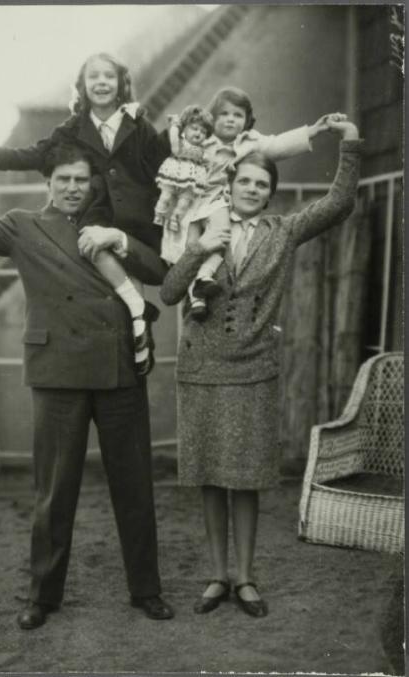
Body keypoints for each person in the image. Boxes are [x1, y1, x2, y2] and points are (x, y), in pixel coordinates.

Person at [0, 141, 174, 629]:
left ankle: (146, 589)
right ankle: (42, 596)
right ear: (48, 182)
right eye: (62, 179)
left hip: (118, 367)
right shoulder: (22, 224)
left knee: (134, 487)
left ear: (93, 184)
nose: (71, 188)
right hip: (58, 372)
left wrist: (122, 241)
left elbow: (161, 272)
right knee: (54, 491)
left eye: (80, 180)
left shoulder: (113, 224)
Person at [160, 117, 361, 617]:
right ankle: (215, 577)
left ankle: (245, 579)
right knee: (209, 476)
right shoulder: (203, 225)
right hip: (202, 367)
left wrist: (351, 141)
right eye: (244, 181)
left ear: (270, 194)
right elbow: (167, 294)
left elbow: (339, 203)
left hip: (253, 368)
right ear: (229, 186)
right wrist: (200, 249)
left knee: (245, 477)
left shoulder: (284, 232)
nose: (252, 188)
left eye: (261, 184)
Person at [0, 52, 170, 372]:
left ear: (120, 84)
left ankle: (140, 331)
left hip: (139, 220)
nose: (101, 82)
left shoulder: (138, 124)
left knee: (138, 278)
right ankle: (136, 322)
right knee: (104, 270)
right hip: (98, 216)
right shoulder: (73, 128)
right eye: (94, 77)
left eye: (109, 76)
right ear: (82, 86)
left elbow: (160, 161)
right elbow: (39, 153)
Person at [163, 87, 346, 320]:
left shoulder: (250, 141)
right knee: (190, 247)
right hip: (195, 202)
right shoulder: (201, 139)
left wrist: (314, 130)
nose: (231, 120)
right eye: (224, 114)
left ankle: (203, 285)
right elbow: (177, 148)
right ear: (212, 118)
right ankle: (195, 297)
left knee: (220, 243)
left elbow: (277, 144)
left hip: (222, 205)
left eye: (238, 115)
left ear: (247, 120)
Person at [153, 105, 213, 231]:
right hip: (174, 173)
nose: (198, 133)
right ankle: (159, 214)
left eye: (203, 132)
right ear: (184, 129)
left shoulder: (203, 150)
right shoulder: (179, 143)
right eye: (194, 128)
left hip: (190, 182)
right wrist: (175, 125)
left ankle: (175, 219)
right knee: (165, 196)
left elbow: (209, 163)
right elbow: (174, 139)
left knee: (184, 203)